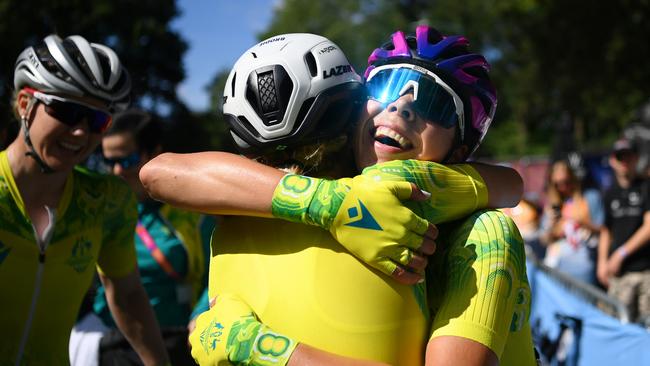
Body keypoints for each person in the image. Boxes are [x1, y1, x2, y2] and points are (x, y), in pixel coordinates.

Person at [142, 27, 535, 365]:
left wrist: (261, 347)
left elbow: (508, 184)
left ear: (460, 151)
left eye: (433, 103)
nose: (401, 106)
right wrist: (332, 203)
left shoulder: (485, 234)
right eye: (386, 86)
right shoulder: (340, 187)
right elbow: (161, 174)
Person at [0, 34, 169, 365]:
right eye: (66, 111)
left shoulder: (106, 201)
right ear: (24, 104)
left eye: (96, 120)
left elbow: (128, 294)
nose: (81, 132)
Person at [71, 109, 214, 365]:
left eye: (126, 161)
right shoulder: (100, 209)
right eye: (108, 161)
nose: (116, 171)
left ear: (154, 154)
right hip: (112, 341)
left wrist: (202, 312)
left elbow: (217, 273)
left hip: (179, 340)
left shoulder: (193, 214)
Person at [597, 138, 650, 324]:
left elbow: (649, 226)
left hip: (645, 272)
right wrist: (602, 262)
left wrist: (621, 253)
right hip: (620, 276)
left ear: (636, 159)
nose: (624, 162)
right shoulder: (610, 192)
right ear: (613, 161)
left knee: (646, 329)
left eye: (628, 157)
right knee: (620, 325)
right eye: (620, 157)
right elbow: (606, 230)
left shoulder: (646, 187)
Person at [540, 159, 604, 284]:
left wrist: (582, 223)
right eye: (557, 184)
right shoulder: (552, 206)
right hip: (559, 266)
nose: (563, 187)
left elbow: (604, 230)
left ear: (573, 179)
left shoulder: (590, 197)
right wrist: (551, 224)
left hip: (584, 265)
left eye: (566, 182)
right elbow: (544, 240)